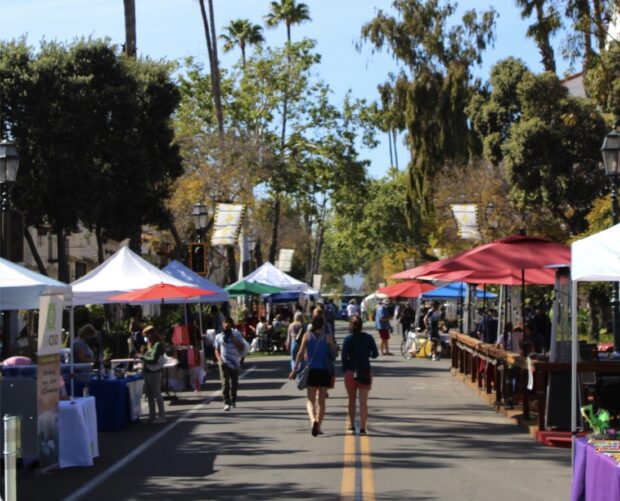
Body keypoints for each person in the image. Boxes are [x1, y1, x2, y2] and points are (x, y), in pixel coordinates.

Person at [289, 314, 338, 436]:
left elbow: (300, 354)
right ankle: (318, 426)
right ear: (323, 325)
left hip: (311, 371)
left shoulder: (307, 336)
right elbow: (335, 353)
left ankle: (312, 420)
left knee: (310, 400)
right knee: (322, 402)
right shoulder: (328, 337)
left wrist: (294, 369)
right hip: (324, 371)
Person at [341, 315, 378, 435]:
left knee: (351, 400)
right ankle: (362, 427)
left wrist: (346, 369)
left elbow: (343, 357)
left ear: (351, 326)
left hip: (351, 371)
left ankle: (351, 425)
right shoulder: (368, 338)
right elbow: (375, 354)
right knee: (363, 402)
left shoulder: (348, 339)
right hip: (364, 370)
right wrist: (367, 355)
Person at [214, 317, 246, 411]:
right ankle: (226, 402)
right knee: (225, 383)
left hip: (234, 362)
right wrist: (219, 359)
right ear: (222, 324)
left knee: (234, 383)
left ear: (231, 324)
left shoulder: (237, 334)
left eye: (228, 322)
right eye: (225, 322)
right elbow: (216, 349)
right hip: (223, 362)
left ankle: (233, 400)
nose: (226, 324)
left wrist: (234, 338)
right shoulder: (218, 336)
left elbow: (242, 347)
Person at [140, 326, 166, 423]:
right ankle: (152, 415)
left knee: (157, 394)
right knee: (149, 394)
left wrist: (142, 357)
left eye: (146, 335)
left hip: (154, 372)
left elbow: (153, 358)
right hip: (148, 371)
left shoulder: (158, 345)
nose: (145, 338)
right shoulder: (151, 345)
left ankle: (162, 416)